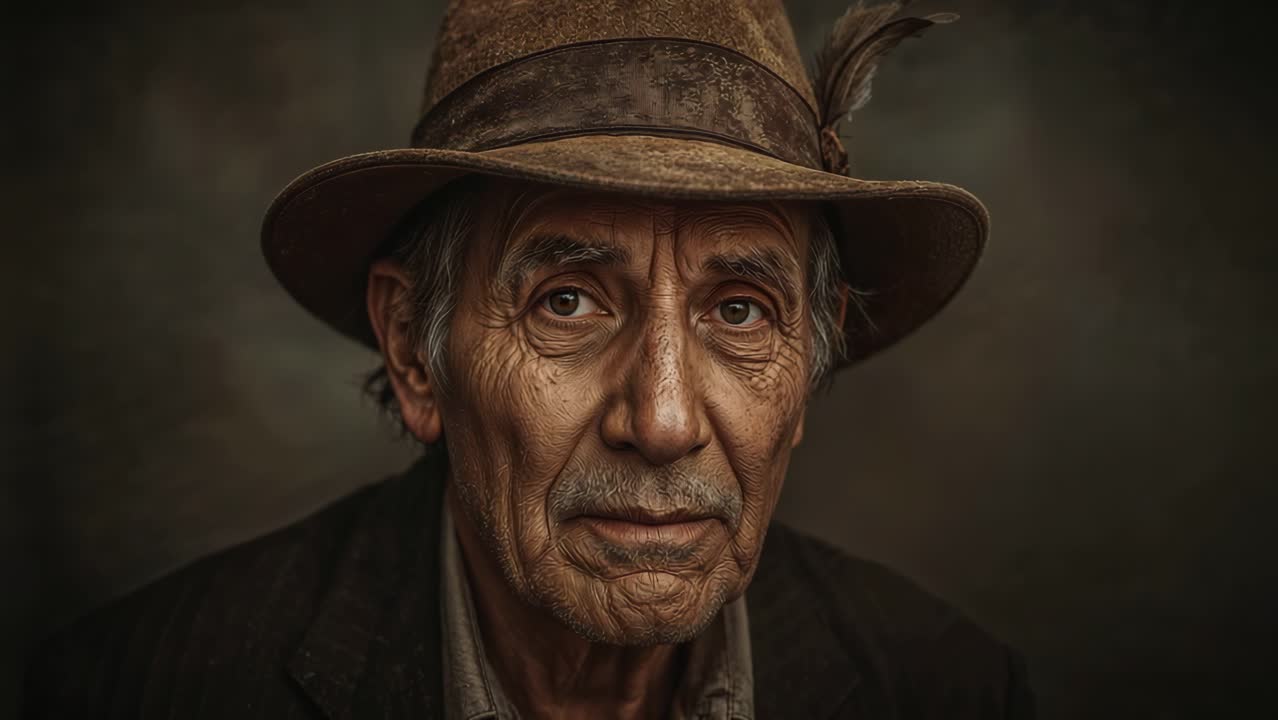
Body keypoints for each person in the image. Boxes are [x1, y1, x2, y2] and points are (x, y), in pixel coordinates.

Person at [24, 0, 1034, 717]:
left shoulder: (944, 687)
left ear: (805, 374)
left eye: (738, 310)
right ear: (414, 354)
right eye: (565, 301)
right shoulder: (140, 689)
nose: (665, 419)